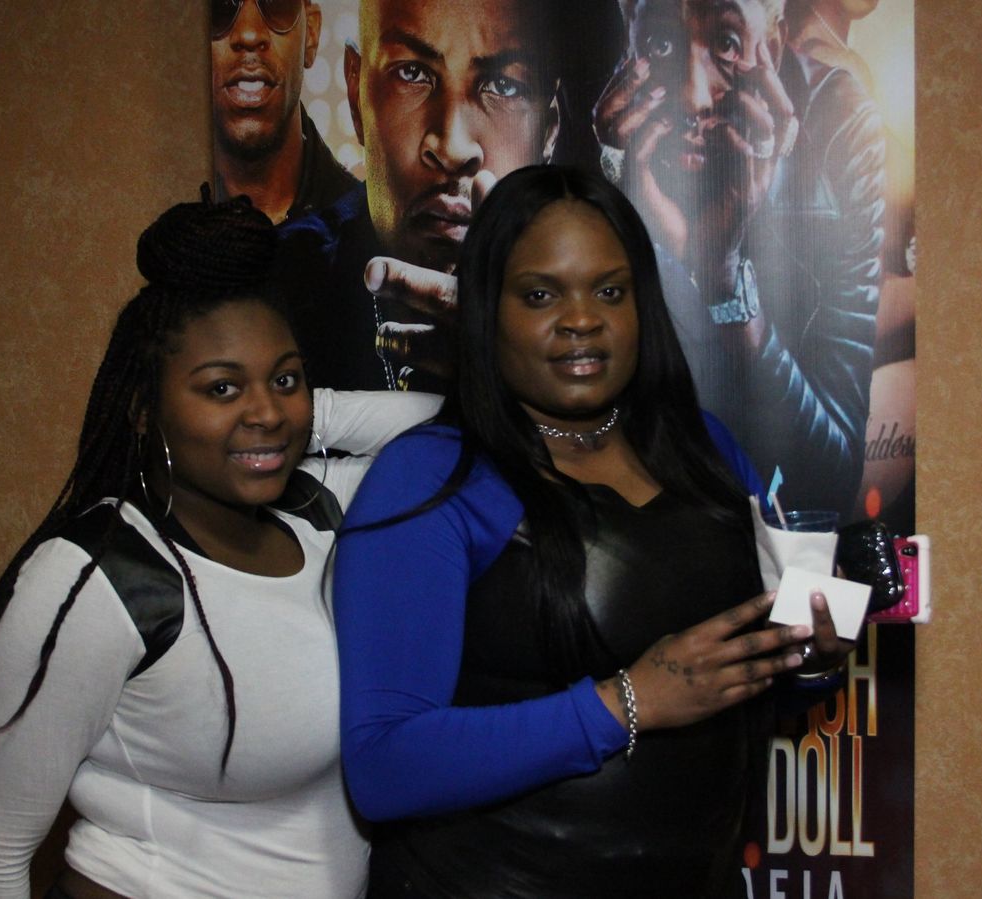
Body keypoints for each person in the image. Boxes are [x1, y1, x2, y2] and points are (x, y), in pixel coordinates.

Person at [332, 165, 852, 898]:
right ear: (486, 310)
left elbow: (732, 695)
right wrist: (628, 701)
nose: (582, 319)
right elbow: (384, 766)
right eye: (540, 295)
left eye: (610, 291)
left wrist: (808, 659)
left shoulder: (704, 449)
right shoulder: (431, 476)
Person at [0, 193, 439, 899]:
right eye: (221, 388)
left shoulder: (318, 509)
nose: (264, 409)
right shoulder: (97, 579)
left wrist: (308, 414)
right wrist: (280, 413)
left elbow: (461, 435)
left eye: (285, 378)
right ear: (143, 407)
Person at [593, 0, 886, 515]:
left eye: (727, 44)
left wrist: (722, 278)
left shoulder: (838, 121)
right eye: (660, 44)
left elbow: (827, 482)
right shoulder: (603, 130)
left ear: (771, 47)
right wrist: (621, 209)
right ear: (628, 39)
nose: (691, 95)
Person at [275, 0, 576, 392]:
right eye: (412, 73)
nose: (453, 148)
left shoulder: (604, 299)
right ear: (356, 92)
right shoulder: (270, 291)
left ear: (549, 131)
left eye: (504, 86)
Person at [210, 0, 357, 223]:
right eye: (221, 5)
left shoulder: (370, 233)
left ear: (311, 34)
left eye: (276, 2)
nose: (249, 34)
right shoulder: (157, 219)